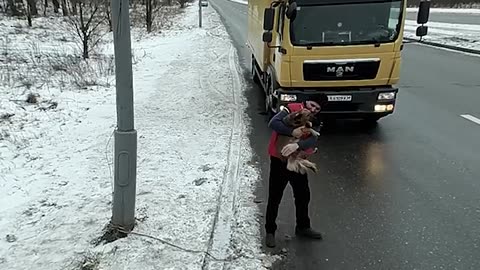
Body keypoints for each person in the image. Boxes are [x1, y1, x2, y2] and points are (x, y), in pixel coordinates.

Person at [265, 100, 323, 248]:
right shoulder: (291, 109)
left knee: (303, 194)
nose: (314, 109)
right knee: (275, 195)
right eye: (312, 105)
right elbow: (273, 123)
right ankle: (270, 231)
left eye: (317, 108)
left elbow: (313, 138)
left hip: (297, 160)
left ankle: (303, 227)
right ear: (306, 102)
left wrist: (297, 145)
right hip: (279, 159)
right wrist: (292, 132)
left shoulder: (315, 120)